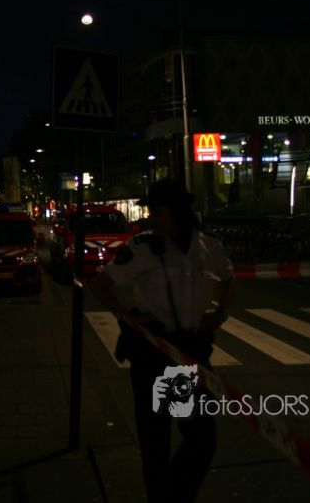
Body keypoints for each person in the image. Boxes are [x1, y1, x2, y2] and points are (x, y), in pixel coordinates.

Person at [87, 178, 235, 503]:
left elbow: (228, 278)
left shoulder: (208, 246)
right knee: (156, 443)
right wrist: (128, 318)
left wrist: (219, 313)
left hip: (189, 353)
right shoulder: (142, 247)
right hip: (154, 353)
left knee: (200, 440)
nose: (150, 217)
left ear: (177, 212)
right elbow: (99, 286)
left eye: (156, 211)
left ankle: (172, 497)